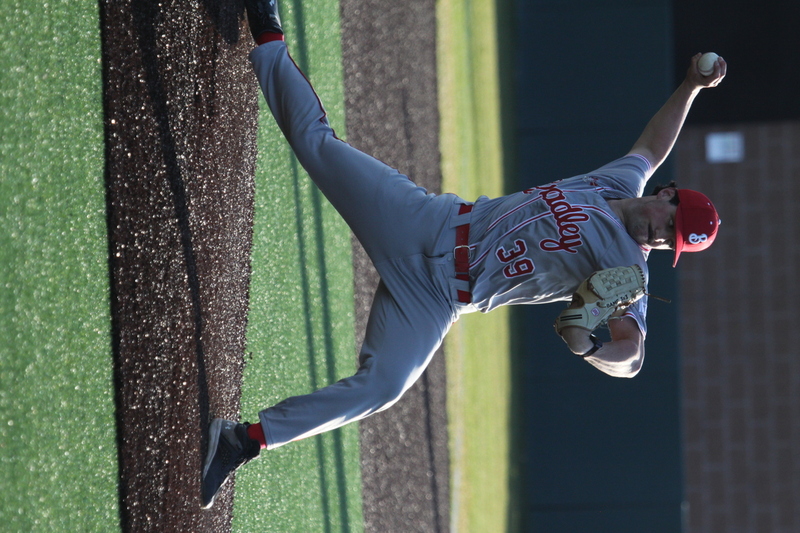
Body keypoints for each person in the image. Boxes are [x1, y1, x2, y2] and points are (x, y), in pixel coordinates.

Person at [201, 0, 726, 508]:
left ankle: (242, 440)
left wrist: (592, 349)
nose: (663, 235)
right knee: (319, 145)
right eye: (671, 221)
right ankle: (267, 29)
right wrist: (690, 87)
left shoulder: (628, 272)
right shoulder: (618, 181)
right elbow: (652, 147)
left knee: (385, 386)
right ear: (666, 194)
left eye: (672, 241)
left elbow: (632, 358)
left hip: (437, 298)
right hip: (425, 220)